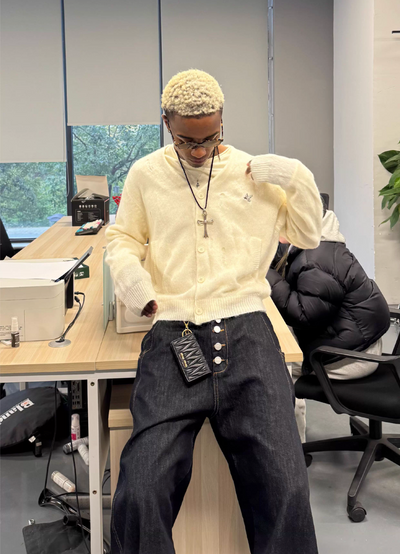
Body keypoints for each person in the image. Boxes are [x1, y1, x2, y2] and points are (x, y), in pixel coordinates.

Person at [106, 69, 322, 554]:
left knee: (286, 488)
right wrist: (137, 286)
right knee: (140, 490)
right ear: (166, 123)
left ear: (222, 121)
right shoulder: (146, 174)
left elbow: (308, 234)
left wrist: (295, 177)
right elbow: (122, 239)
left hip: (247, 332)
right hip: (174, 336)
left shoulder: (253, 172)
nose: (200, 151)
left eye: (210, 138)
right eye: (187, 140)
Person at [267, 204, 391, 442]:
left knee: (272, 365)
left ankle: (293, 448)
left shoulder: (317, 258)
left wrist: (265, 274)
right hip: (358, 342)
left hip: (352, 357)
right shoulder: (319, 243)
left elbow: (304, 314)